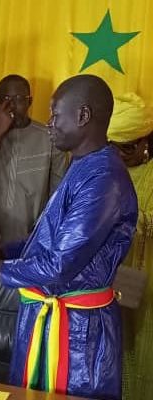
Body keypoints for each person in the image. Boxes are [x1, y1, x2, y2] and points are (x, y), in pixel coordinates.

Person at [0, 75, 138, 400]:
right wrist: (3, 250)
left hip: (77, 335)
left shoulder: (104, 179)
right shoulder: (84, 165)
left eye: (56, 115)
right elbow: (49, 238)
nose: (50, 124)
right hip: (56, 321)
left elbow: (59, 264)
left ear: (83, 116)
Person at [0, 74, 67, 369]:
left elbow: (57, 197)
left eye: (19, 99)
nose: (12, 106)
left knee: (22, 332)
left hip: (27, 250)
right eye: (5, 99)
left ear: (30, 102)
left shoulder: (49, 137)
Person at [107, 93, 153, 399]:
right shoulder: (103, 171)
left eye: (122, 148)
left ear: (141, 144)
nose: (116, 155)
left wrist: (135, 220)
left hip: (148, 279)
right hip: (110, 277)